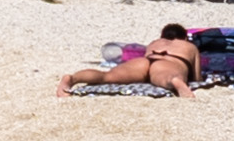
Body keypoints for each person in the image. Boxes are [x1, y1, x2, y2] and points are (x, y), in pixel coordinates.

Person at [58, 23, 201, 98]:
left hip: (145, 61)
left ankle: (72, 78)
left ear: (162, 35)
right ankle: (175, 81)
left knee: (106, 76)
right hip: (169, 63)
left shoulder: (155, 42)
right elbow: (197, 77)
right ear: (183, 37)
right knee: (167, 77)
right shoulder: (189, 46)